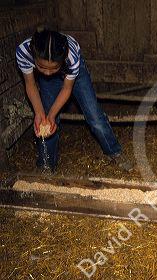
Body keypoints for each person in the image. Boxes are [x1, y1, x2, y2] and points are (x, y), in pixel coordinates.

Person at [16, 28, 132, 172]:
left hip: (74, 73)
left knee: (94, 116)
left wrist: (52, 114)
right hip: (51, 76)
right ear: (34, 56)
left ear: (62, 60)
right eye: (41, 66)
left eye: (52, 68)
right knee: (45, 122)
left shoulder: (71, 57)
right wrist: (41, 114)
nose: (47, 73)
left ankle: (114, 151)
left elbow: (66, 89)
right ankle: (46, 164)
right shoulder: (23, 52)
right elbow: (31, 84)